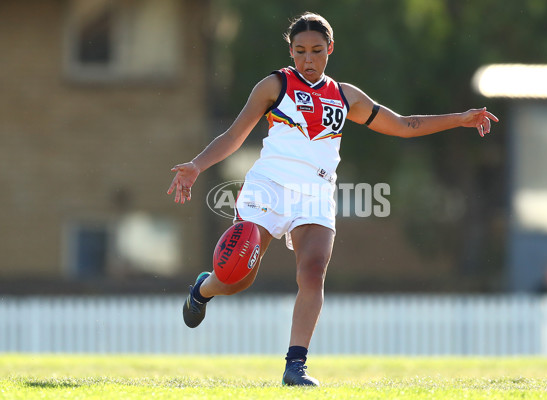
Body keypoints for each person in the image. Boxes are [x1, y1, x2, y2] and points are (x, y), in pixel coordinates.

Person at [167, 12, 499, 386]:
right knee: (236, 278)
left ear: (330, 49)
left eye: (316, 50)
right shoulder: (275, 85)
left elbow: (404, 126)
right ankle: (203, 289)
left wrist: (461, 118)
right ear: (290, 51)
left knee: (312, 272)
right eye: (300, 51)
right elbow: (233, 136)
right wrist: (196, 165)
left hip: (317, 193)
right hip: (268, 186)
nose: (308, 59)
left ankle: (295, 367)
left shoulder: (346, 96)